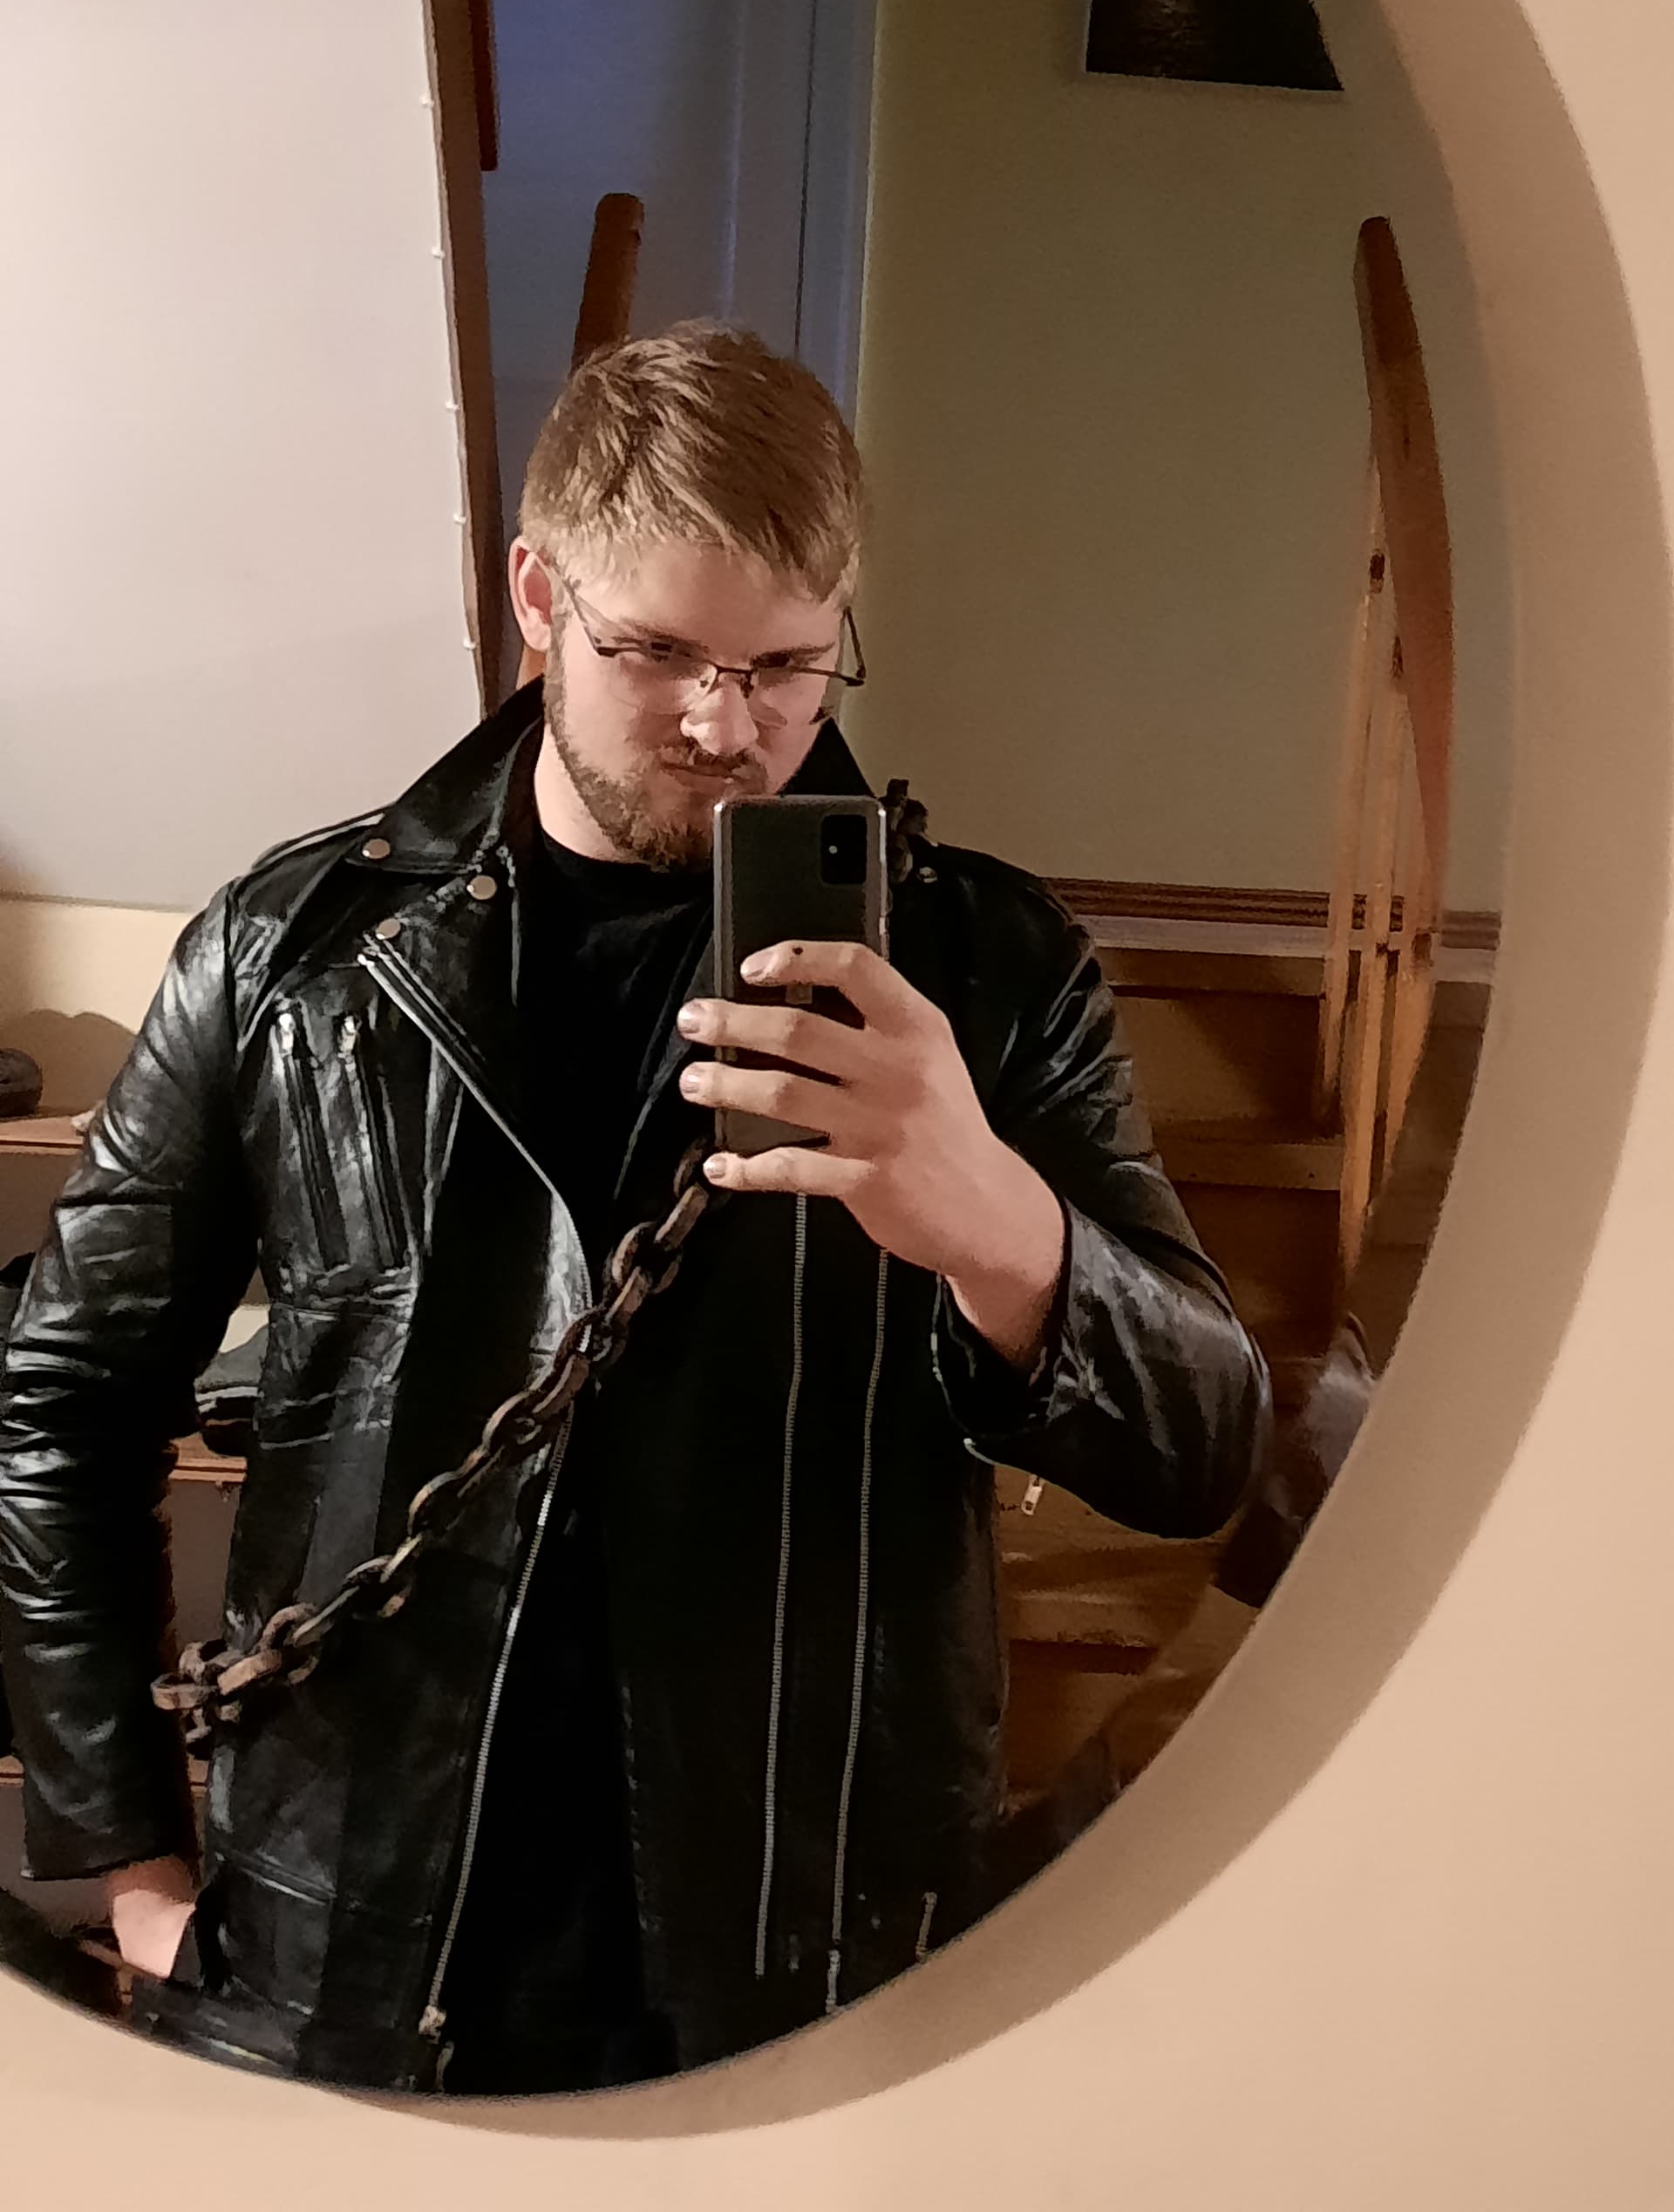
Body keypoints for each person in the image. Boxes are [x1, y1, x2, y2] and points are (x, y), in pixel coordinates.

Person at [0, 323, 1269, 2095]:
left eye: (787, 665)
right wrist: (132, 1868)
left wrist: (995, 1221)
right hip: (344, 1964)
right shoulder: (292, 957)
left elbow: (1206, 1447)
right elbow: (60, 1399)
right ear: (539, 595)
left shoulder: (986, 970)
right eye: (656, 650)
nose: (723, 726)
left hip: (812, 1976)